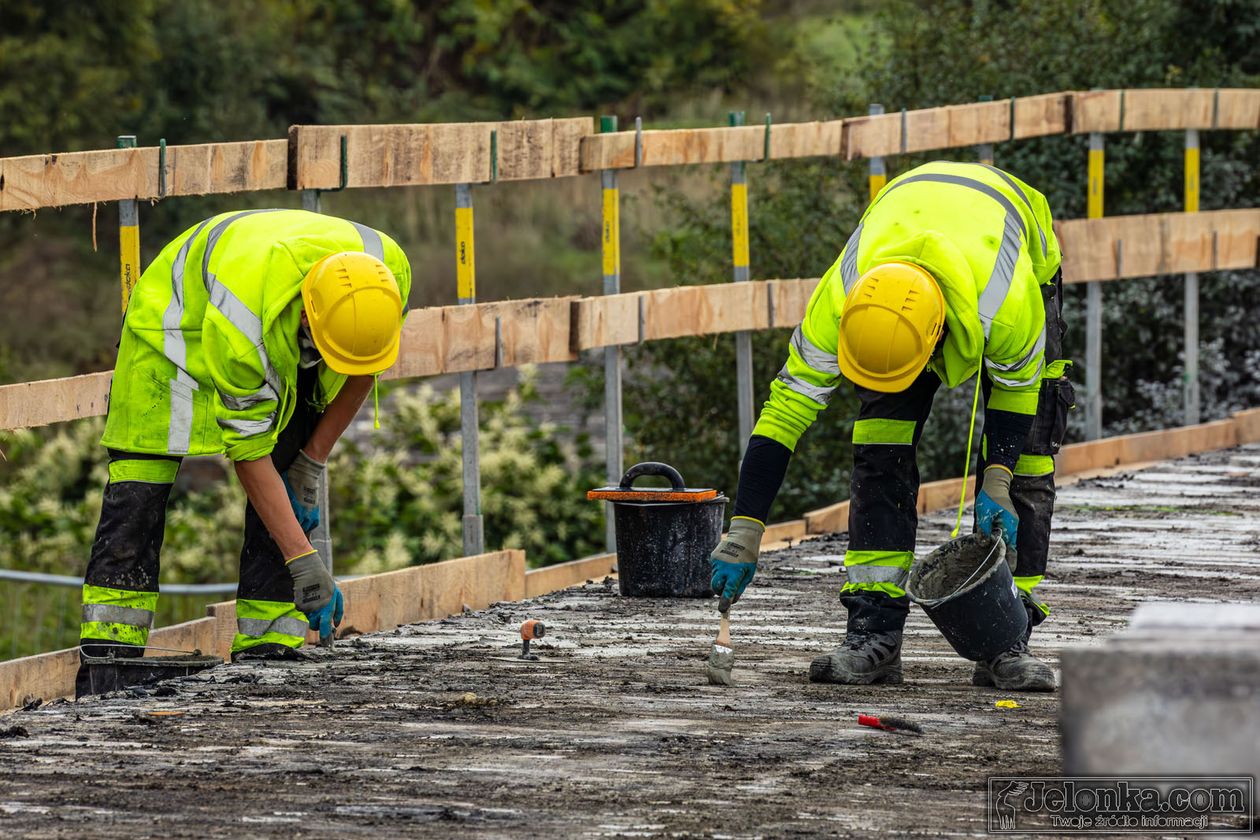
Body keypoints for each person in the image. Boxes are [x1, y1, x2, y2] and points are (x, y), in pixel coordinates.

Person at [709, 161, 1073, 692]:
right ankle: (873, 634)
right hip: (902, 254)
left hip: (1013, 244)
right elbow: (783, 414)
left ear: (936, 337)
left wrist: (997, 479)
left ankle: (1008, 639)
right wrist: (745, 529)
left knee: (1030, 458)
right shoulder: (842, 302)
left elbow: (1015, 392)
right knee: (881, 442)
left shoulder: (1007, 304)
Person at [78, 209, 411, 692]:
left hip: (273, 315)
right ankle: (108, 661)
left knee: (288, 460)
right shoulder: (244, 324)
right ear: (306, 315)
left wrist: (311, 464)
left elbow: (364, 367)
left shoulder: (387, 276)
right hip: (172, 333)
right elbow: (248, 454)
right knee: (139, 491)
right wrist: (305, 560)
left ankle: (268, 650)